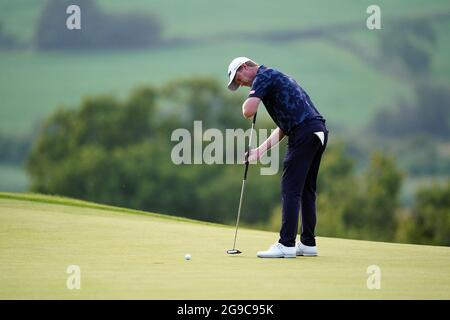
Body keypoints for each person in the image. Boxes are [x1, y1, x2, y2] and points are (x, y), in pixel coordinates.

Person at [226, 57, 328, 258]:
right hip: (317, 131)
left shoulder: (263, 76)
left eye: (238, 78)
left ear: (245, 67)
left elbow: (248, 111)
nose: (241, 83)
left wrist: (253, 95)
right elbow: (285, 125)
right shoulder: (276, 77)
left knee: (290, 189)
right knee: (307, 190)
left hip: (304, 133)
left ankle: (286, 244)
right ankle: (308, 243)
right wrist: (259, 152)